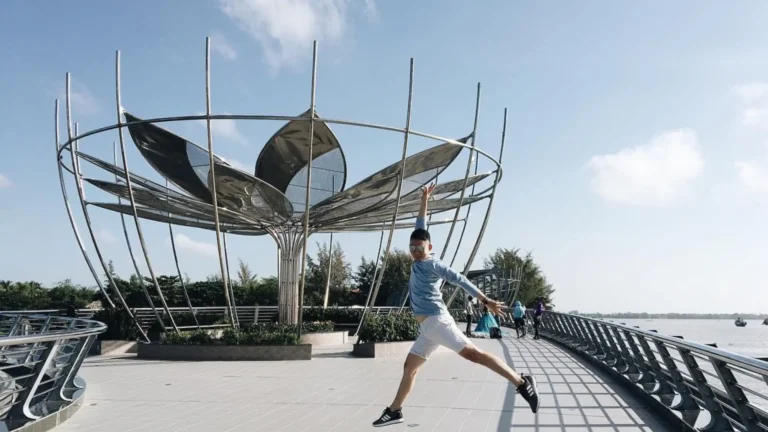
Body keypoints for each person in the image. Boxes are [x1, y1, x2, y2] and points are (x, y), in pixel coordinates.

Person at [373, 184, 540, 427]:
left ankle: (522, 383)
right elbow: (421, 224)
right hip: (427, 330)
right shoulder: (419, 251)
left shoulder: (433, 264)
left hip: (437, 322)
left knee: (473, 355)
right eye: (411, 248)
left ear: (429, 248)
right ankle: (395, 410)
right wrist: (425, 200)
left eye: (419, 248)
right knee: (410, 367)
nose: (415, 251)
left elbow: (461, 279)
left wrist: (485, 300)